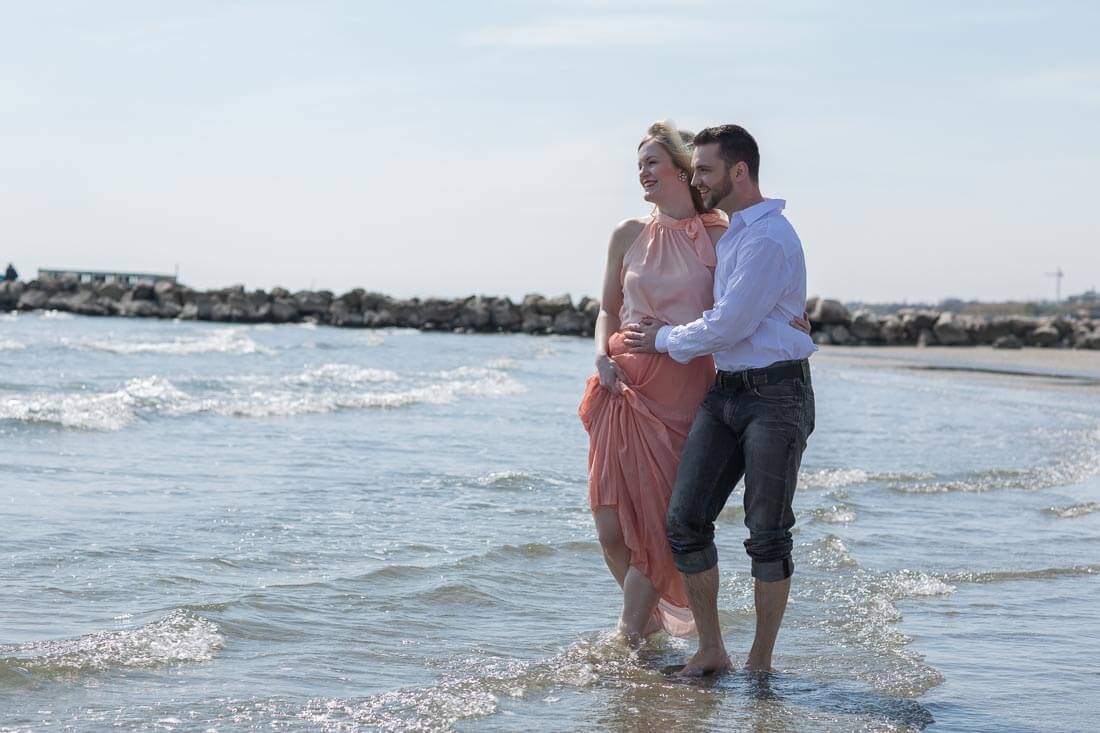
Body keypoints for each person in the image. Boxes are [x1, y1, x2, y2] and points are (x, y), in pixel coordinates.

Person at [579, 122, 810, 645]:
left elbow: (747, 304)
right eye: (638, 163)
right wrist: (600, 357)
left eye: (652, 161)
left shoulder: (725, 235)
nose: (642, 171)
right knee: (611, 528)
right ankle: (654, 618)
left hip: (684, 388)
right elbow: (607, 309)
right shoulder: (626, 233)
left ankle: (628, 636)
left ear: (683, 171)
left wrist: (793, 318)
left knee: (667, 521)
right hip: (621, 387)